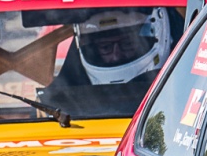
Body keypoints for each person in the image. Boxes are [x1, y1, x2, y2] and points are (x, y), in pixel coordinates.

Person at [40, 7, 178, 115]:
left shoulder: (182, 76)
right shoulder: (60, 100)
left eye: (127, 44)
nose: (116, 55)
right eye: (105, 47)